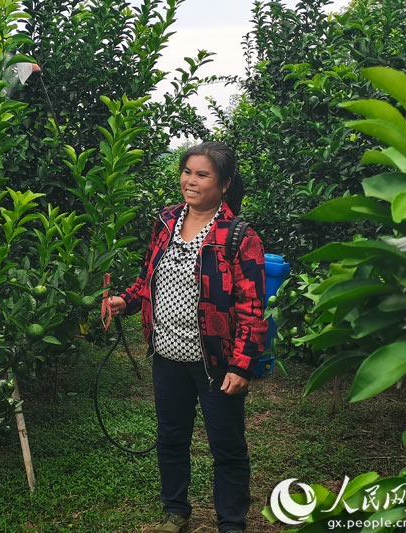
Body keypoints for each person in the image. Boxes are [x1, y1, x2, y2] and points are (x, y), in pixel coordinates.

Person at [106, 142, 268, 533]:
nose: (190, 181)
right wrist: (124, 301)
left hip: (216, 363)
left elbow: (252, 307)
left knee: (227, 446)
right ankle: (175, 512)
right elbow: (147, 278)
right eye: (187, 172)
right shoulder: (165, 221)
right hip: (167, 354)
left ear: (225, 183)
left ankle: (231, 524)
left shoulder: (239, 236)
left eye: (202, 174)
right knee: (171, 437)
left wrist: (242, 365)